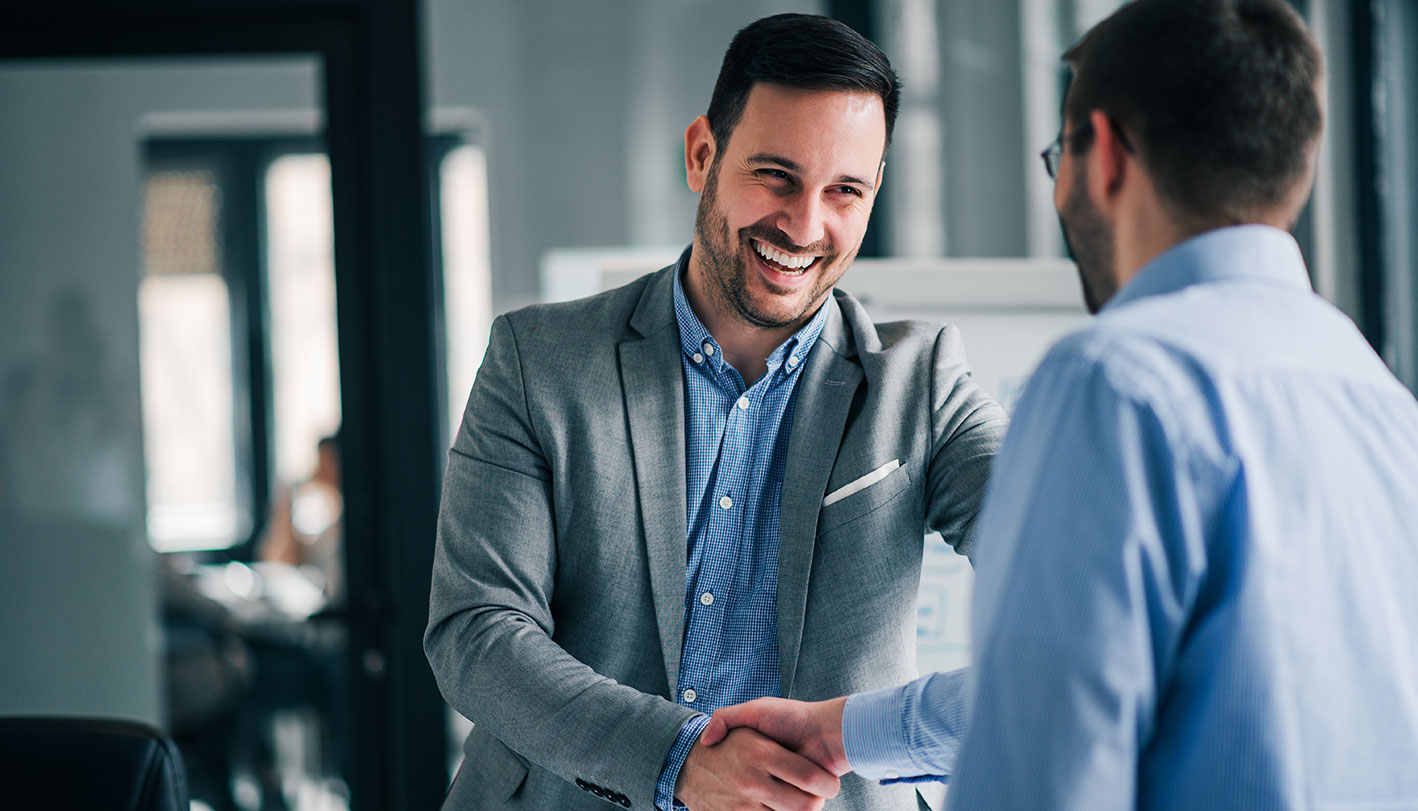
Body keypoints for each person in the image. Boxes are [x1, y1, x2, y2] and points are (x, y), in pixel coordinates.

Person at [702, 0, 1418, 808]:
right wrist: (849, 729)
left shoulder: (1115, 381)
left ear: (1102, 154)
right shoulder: (1384, 405)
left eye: (1058, 156)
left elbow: (1045, 758)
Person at [424, 13, 1007, 811]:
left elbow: (1071, 573)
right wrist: (676, 760)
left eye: (845, 190)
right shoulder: (539, 362)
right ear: (703, 153)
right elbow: (478, 633)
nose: (805, 226)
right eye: (776, 175)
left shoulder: (922, 381)